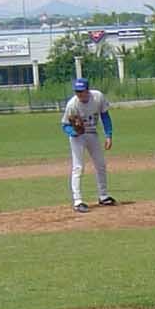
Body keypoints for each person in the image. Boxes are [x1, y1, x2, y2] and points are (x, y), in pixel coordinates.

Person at [60, 77, 114, 212]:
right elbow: (65, 125)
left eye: (81, 91)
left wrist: (108, 135)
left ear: (87, 90)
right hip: (77, 137)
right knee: (78, 167)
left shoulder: (98, 97)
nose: (79, 94)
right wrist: (73, 132)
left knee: (100, 164)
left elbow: (105, 116)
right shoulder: (72, 104)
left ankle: (103, 196)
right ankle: (77, 201)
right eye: (77, 91)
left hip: (92, 134)